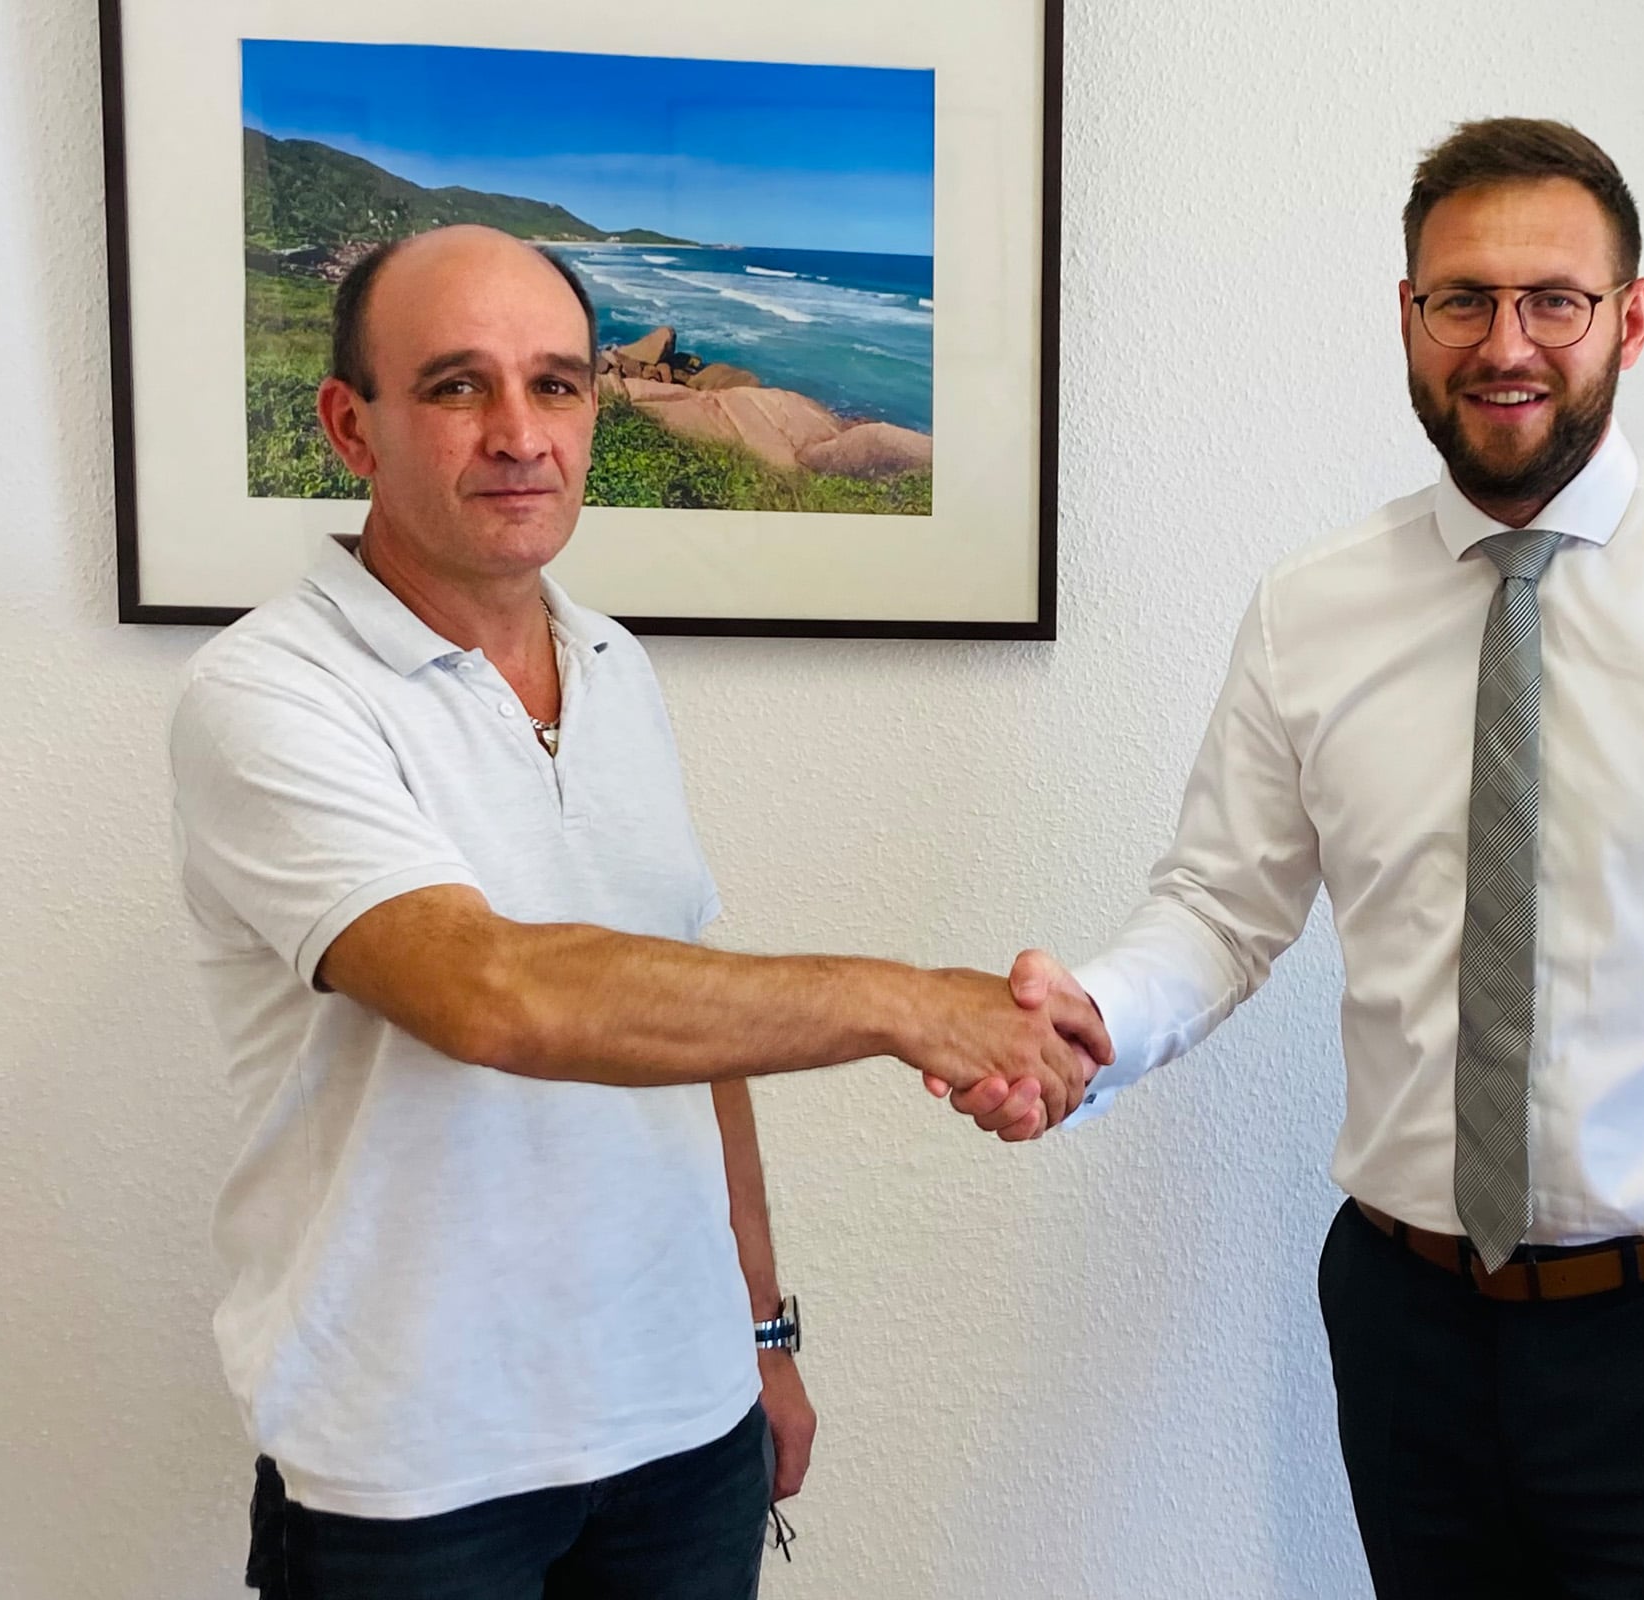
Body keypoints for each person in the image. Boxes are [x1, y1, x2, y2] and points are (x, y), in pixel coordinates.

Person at [943, 118, 1644, 1596]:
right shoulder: (1313, 608)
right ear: (1410, 316)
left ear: (1631, 317)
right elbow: (1222, 906)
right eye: (1463, 300)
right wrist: (1094, 1024)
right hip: (1412, 1329)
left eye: (1553, 300)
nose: (1506, 344)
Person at [169, 224, 1107, 1600]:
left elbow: (691, 1022)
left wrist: (762, 1334)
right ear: (350, 426)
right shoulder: (267, 693)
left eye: (556, 384)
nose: (519, 434)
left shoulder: (613, 664)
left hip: (686, 1428)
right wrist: (909, 1003)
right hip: (417, 1465)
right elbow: (488, 993)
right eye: (456, 386)